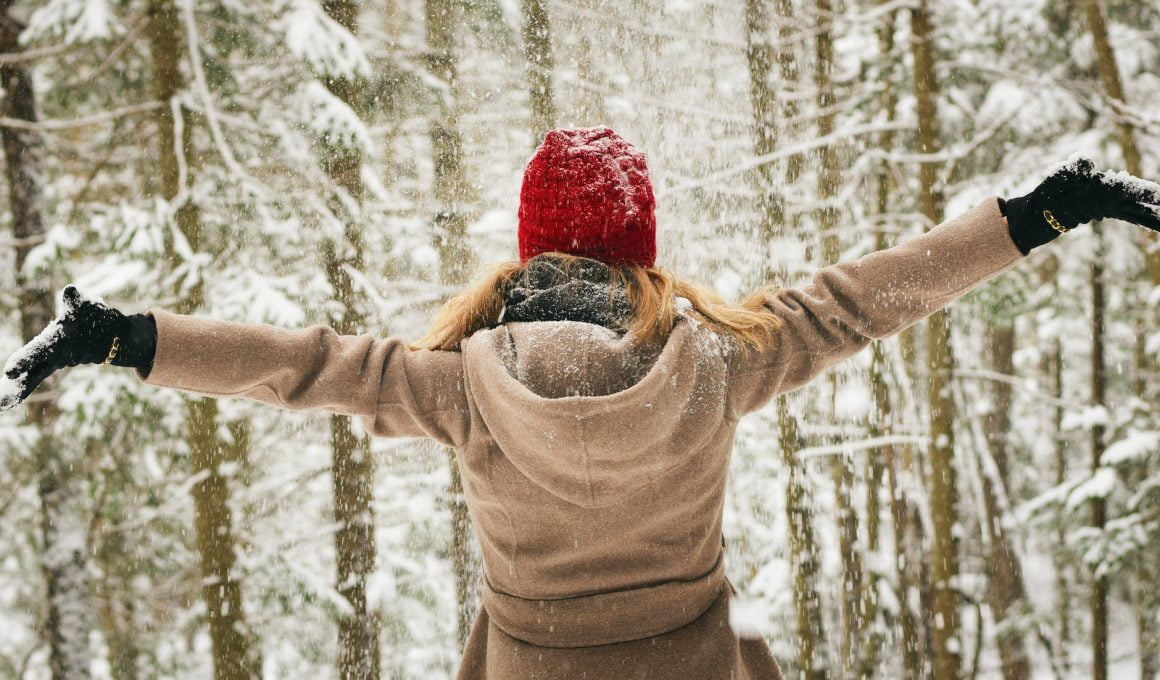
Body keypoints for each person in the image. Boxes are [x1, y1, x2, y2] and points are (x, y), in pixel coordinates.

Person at [2, 127, 1159, 679]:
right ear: (639, 249)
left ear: (527, 249)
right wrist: (1039, 211)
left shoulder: (462, 385)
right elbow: (863, 299)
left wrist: (126, 337)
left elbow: (301, 364)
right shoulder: (718, 361)